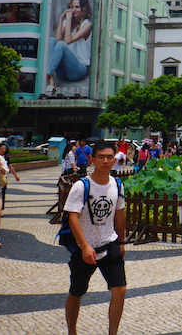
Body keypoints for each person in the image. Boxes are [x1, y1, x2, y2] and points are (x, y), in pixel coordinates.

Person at [63, 141, 126, 335]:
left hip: (110, 243)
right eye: (101, 157)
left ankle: (112, 332)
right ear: (92, 159)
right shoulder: (82, 186)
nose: (105, 161)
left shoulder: (117, 184)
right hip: (85, 248)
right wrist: (84, 246)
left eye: (109, 157)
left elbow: (120, 213)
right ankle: (72, 331)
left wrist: (122, 241)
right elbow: (72, 216)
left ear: (114, 159)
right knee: (77, 292)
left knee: (120, 290)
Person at [46, 0, 92, 94]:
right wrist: (61, 19)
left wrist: (69, 19)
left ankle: (46, 75)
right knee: (51, 40)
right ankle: (51, 81)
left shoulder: (87, 25)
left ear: (83, 9)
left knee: (62, 45)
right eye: (72, 7)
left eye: (77, 7)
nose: (73, 10)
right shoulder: (67, 22)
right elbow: (57, 39)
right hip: (63, 72)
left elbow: (67, 41)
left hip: (78, 70)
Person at [0, 143, 20, 209]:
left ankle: (1, 207)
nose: (3, 150)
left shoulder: (6, 158)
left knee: (2, 192)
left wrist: (16, 176)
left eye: (4, 148)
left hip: (3, 177)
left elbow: (10, 166)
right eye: (2, 148)